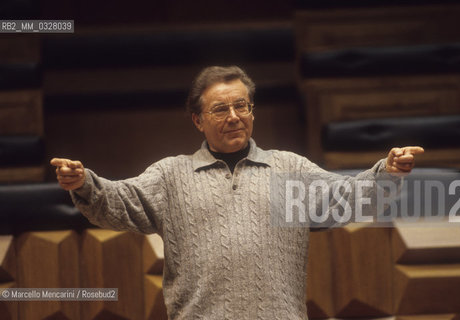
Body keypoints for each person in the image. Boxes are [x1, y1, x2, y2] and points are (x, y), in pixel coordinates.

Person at [51, 66, 424, 320]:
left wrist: (387, 173)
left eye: (241, 105)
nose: (233, 116)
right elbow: (117, 202)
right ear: (198, 120)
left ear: (252, 112)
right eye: (219, 109)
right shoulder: (171, 176)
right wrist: (85, 183)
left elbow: (348, 198)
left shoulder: (289, 169)